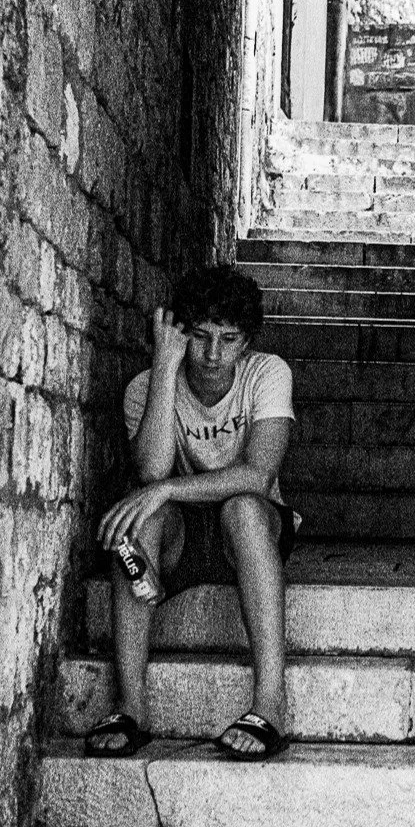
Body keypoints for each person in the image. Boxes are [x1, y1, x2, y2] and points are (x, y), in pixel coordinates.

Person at [86, 264, 299, 762]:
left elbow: (257, 475)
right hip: (180, 532)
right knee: (140, 521)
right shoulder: (146, 386)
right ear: (182, 335)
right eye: (200, 337)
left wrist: (163, 491)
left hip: (248, 531)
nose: (211, 354)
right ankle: (130, 706)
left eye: (228, 339)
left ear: (246, 342)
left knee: (243, 508)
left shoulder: (267, 373)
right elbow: (152, 469)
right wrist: (164, 367)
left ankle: (270, 702)